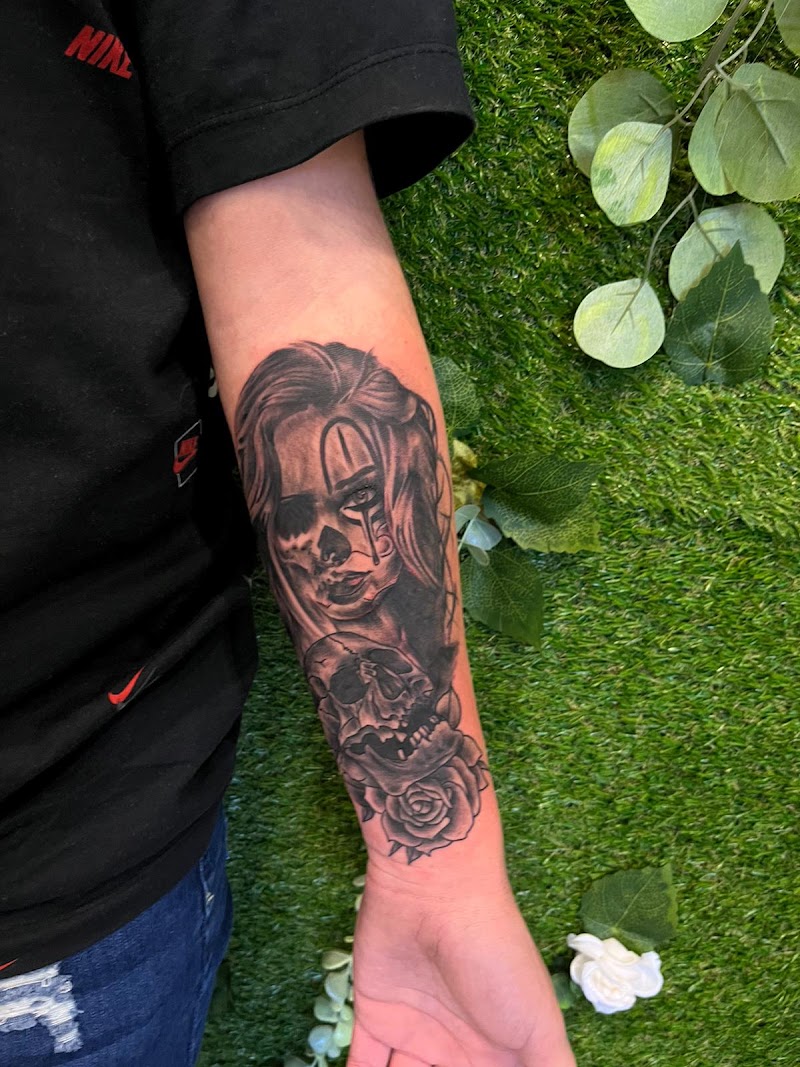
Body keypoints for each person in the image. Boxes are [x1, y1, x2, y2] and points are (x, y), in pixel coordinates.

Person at [0, 2, 576, 1065]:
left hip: (64, 864)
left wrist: (441, 876)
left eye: (352, 507)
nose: (332, 543)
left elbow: (295, 254)